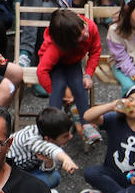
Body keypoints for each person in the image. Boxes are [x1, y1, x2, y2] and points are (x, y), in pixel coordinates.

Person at [37, 8, 103, 142]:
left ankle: (86, 124)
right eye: (80, 35)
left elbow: (95, 51)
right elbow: (42, 71)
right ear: (68, 42)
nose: (85, 33)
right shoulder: (54, 48)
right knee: (59, 86)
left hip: (73, 61)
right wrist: (52, 91)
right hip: (55, 65)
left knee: (79, 85)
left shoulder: (90, 27)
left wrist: (88, 74)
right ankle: (52, 129)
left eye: (83, 27)